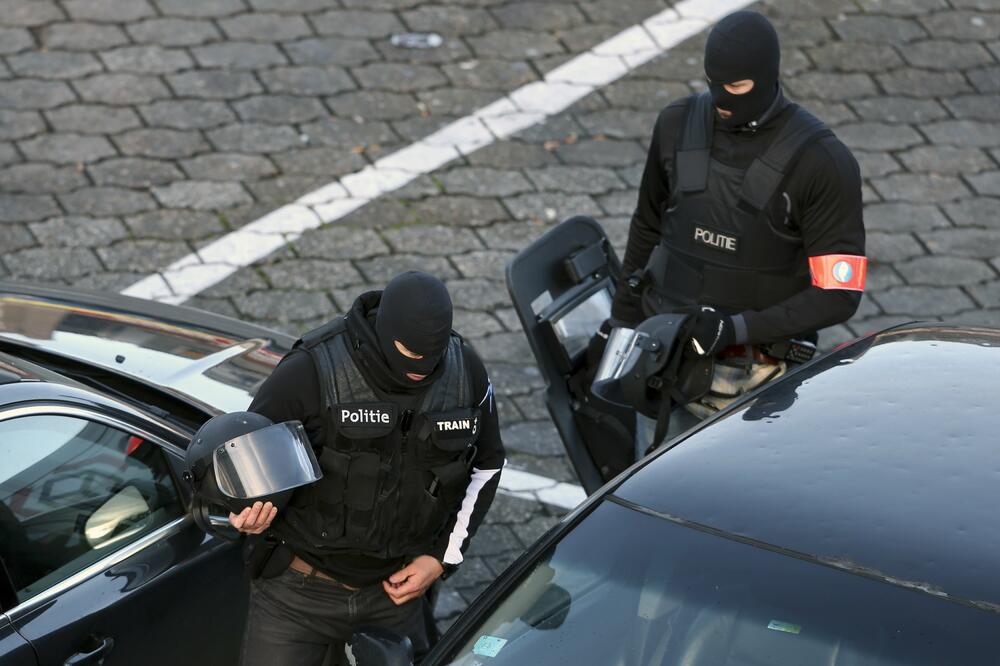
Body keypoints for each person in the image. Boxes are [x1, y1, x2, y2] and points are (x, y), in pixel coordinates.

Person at [605, 10, 866, 443]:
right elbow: (647, 226)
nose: (722, 99)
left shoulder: (822, 164)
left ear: (766, 77)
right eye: (713, 83)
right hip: (662, 362)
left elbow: (838, 295)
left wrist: (735, 329)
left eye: (737, 86)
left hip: (757, 381)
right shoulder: (676, 125)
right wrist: (621, 320)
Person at [230, 271, 505, 665]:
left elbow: (489, 463)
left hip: (394, 592)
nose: (421, 370)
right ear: (383, 331)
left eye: (433, 357)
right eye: (410, 356)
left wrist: (442, 557)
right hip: (296, 591)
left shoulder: (466, 373)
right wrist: (245, 510)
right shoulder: (310, 369)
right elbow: (248, 455)